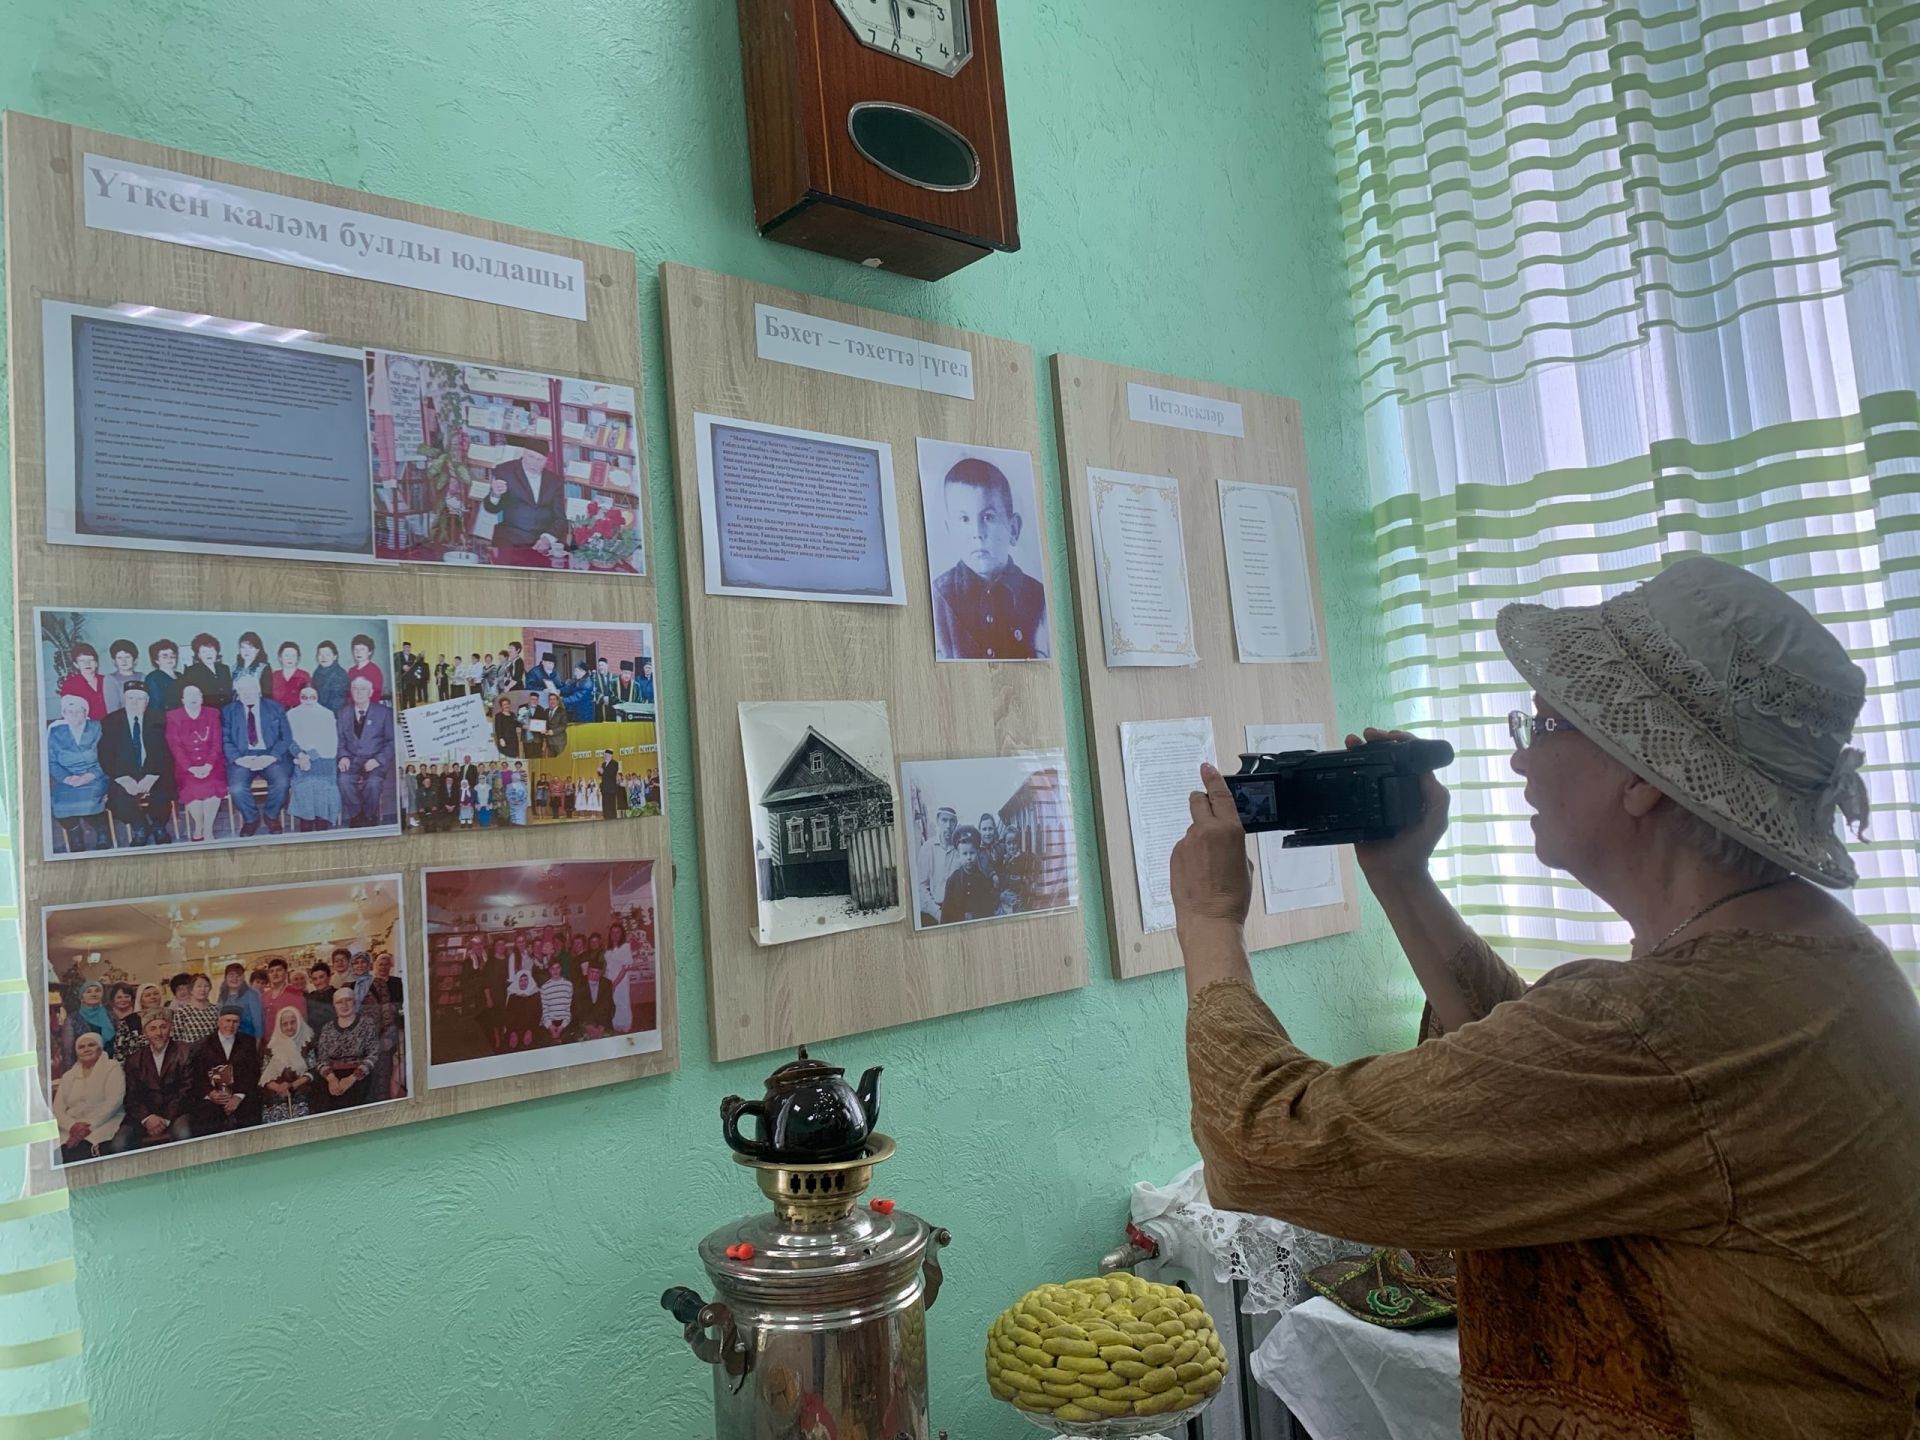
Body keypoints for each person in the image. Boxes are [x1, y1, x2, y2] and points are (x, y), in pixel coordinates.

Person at [1170, 556, 1920, 1437]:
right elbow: (1555, 1091)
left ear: (1642, 774)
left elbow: (1268, 1143)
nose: (1521, 753)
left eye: (1548, 722)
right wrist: (1405, 880)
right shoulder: (1813, 959)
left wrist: (1210, 922)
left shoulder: (1663, 1024)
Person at [930, 457, 1049, 661]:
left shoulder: (1039, 598)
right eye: (964, 519)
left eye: (988, 517)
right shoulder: (938, 597)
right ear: (950, 530)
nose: (977, 533)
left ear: (1013, 528)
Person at [99, 680, 174, 847]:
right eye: (131, 698)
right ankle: (140, 827)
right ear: (124, 700)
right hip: (124, 773)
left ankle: (159, 826)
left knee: (162, 794)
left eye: (140, 699)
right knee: (119, 800)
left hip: (153, 771)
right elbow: (105, 755)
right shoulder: (110, 721)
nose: (135, 703)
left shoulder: (159, 718)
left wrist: (152, 776)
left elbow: (165, 752)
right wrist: (123, 778)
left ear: (147, 702)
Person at [222, 673, 293, 837]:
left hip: (270, 755)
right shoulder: (228, 712)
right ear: (237, 694)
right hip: (243, 756)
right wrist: (239, 759)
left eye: (251, 690)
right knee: (237, 788)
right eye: (242, 691)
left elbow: (286, 737)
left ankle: (271, 815)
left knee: (282, 783)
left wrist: (272, 756)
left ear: (259, 691)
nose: (247, 694)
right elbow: (225, 740)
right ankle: (251, 818)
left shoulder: (275, 708)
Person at [47, 692, 110, 852]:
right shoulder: (55, 732)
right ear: (63, 714)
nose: (74, 715)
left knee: (89, 802)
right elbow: (52, 761)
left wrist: (89, 776)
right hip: (68, 780)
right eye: (69, 711)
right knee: (58, 805)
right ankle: (75, 833)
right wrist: (67, 778)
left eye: (79, 711)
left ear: (85, 712)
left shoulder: (98, 727)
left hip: (96, 776)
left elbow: (108, 757)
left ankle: (102, 830)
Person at [122, 1008, 193, 1146]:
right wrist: (147, 1118)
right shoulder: (134, 1059)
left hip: (177, 1112)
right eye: (152, 1028)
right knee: (119, 1143)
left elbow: (188, 1090)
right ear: (145, 1033)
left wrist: (165, 1118)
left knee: (184, 1135)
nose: (159, 1033)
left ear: (170, 1028)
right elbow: (131, 1096)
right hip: (144, 1116)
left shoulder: (184, 1051)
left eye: (163, 1027)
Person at [480, 445, 569, 554]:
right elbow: (492, 509)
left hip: (542, 539)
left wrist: (547, 539)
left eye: (539, 460)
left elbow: (561, 519)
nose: (534, 463)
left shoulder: (554, 481)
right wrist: (495, 494)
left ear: (546, 461)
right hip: (511, 536)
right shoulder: (505, 471)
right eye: (531, 457)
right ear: (523, 454)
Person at [163, 683, 223, 843]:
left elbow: (217, 742)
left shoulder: (212, 714)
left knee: (212, 791)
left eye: (197, 695)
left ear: (202, 698)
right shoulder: (173, 717)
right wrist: (191, 768)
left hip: (212, 765)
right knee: (192, 791)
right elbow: (175, 747)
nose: (193, 699)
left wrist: (209, 765)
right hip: (186, 767)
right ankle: (199, 825)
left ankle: (208, 829)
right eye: (189, 696)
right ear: (182, 700)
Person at [55, 1031, 127, 1162]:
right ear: (76, 1052)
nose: (86, 1049)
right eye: (81, 1047)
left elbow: (114, 1101)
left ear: (100, 1048)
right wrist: (72, 1126)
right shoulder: (68, 1076)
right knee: (60, 1154)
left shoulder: (112, 1067)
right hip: (72, 1128)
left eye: (91, 1045)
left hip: (103, 1123)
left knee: (83, 1151)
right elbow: (58, 1110)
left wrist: (88, 1126)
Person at [190, 1004, 262, 1134]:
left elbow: (253, 1072)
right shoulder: (202, 1045)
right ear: (218, 1022)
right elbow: (197, 1075)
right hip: (213, 1097)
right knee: (205, 1118)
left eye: (235, 1021)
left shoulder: (247, 1042)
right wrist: (211, 1093)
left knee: (251, 1114)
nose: (231, 1025)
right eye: (227, 1020)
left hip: (240, 1095)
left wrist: (238, 1096)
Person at [336, 675, 395, 827]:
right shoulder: (343, 713)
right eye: (355, 688)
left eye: (363, 689)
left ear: (370, 692)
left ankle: (369, 816)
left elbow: (392, 742)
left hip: (375, 761)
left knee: (373, 783)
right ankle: (357, 815)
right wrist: (343, 756)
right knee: (343, 781)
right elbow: (340, 740)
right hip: (352, 761)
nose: (359, 692)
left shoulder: (384, 713)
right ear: (351, 691)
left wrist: (377, 760)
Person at [286, 684, 342, 832]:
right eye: (304, 697)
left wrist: (310, 756)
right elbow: (289, 740)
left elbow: (331, 742)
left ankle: (322, 823)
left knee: (322, 786)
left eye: (313, 697)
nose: (309, 700)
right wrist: (300, 755)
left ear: (318, 698)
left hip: (325, 760)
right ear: (299, 697)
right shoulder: (291, 715)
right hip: (301, 760)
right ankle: (306, 823)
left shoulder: (327, 714)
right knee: (305, 786)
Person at [312, 987, 377, 1110]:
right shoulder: (327, 1028)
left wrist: (352, 1078)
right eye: (339, 1002)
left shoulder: (367, 1024)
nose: (344, 1005)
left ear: (355, 1002)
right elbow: (321, 1059)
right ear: (334, 1005)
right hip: (332, 1079)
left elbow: (373, 1055)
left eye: (348, 1000)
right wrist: (331, 1079)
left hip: (360, 1078)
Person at [259, 1005, 315, 1125]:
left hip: (301, 1091)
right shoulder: (271, 1047)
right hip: (276, 1094)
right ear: (279, 1026)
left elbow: (312, 1070)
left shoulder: (307, 1043)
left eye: (292, 1022)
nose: (289, 1027)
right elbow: (264, 1077)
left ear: (298, 1022)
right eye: (285, 1024)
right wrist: (279, 1088)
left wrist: (292, 1085)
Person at [363, 952, 405, 1101]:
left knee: (395, 1065)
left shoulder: (397, 982)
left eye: (386, 964)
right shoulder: (369, 984)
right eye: (380, 964)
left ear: (391, 966)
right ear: (375, 966)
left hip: (395, 1028)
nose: (383, 967)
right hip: (377, 1031)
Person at [937, 826, 999, 923]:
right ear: (958, 856)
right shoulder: (953, 880)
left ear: (977, 853)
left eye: (972, 853)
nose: (969, 857)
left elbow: (988, 912)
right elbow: (946, 913)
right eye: (965, 854)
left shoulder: (983, 880)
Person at [915, 807, 959, 926]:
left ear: (956, 824)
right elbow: (921, 886)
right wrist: (937, 913)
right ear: (937, 821)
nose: (948, 826)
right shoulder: (927, 848)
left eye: (952, 821)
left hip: (954, 910)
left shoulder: (959, 850)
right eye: (944, 820)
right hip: (931, 912)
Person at [601, 921, 638, 1034]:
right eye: (613, 932)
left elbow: (625, 967)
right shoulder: (608, 948)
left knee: (622, 1002)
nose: (615, 935)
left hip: (621, 980)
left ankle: (625, 1025)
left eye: (618, 932)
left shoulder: (625, 946)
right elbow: (606, 966)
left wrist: (615, 984)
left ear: (622, 934)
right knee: (613, 1002)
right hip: (609, 978)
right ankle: (615, 1025)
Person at [181, 632, 234, 711]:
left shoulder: (224, 669)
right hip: (207, 712)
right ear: (198, 655)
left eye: (211, 651)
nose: (208, 654)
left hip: (226, 710)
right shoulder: (192, 671)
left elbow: (229, 692)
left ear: (216, 652)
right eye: (204, 652)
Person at [166, 972, 219, 1049]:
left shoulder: (215, 1009)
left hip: (214, 1053)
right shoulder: (182, 1012)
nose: (202, 989)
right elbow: (177, 1039)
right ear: (191, 990)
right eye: (199, 986)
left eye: (206, 986)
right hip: (191, 1056)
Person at [215, 962, 265, 1040]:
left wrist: (258, 1041)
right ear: (225, 978)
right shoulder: (222, 996)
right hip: (226, 1039)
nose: (234, 978)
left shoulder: (252, 994)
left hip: (247, 1038)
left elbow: (258, 1022)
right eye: (231, 975)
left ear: (243, 978)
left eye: (238, 975)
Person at [57, 642, 108, 720]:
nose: (87, 664)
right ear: (76, 665)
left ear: (96, 663)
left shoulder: (107, 680)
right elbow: (69, 711)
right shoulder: (69, 685)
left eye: (91, 660)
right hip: (86, 727)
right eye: (82, 661)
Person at [258, 958, 306, 1038]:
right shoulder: (264, 996)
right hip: (267, 1043)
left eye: (279, 970)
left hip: (288, 1042)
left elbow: (302, 1022)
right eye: (271, 971)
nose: (275, 973)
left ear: (286, 973)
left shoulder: (294, 993)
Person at [572, 951, 615, 1040]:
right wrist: (589, 1027)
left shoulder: (606, 984)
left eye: (597, 972)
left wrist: (601, 1027)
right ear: (587, 971)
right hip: (584, 1022)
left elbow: (610, 1007)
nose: (594, 975)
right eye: (592, 972)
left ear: (601, 973)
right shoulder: (578, 984)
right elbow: (577, 1008)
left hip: (602, 1022)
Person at [71, 980, 116, 1052]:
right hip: (84, 1060)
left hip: (109, 1060)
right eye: (88, 992)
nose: (94, 994)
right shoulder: (73, 1018)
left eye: (97, 991)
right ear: (81, 998)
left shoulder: (110, 1015)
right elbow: (68, 1048)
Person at [538, 956, 574, 1043]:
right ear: (549, 970)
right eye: (553, 969)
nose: (555, 971)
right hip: (550, 1022)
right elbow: (545, 1010)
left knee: (567, 1041)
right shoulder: (544, 987)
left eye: (557, 968)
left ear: (561, 969)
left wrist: (562, 1027)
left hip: (565, 1022)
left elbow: (569, 1009)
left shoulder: (568, 985)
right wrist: (550, 1027)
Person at [101, 638, 142, 713]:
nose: (124, 661)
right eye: (119, 658)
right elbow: (112, 710)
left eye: (127, 657)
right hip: (120, 721)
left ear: (135, 659)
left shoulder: (143, 677)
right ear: (114, 661)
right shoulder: (110, 679)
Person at [310, 640, 349, 714]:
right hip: (318, 713)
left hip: (332, 716)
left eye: (327, 655)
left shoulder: (340, 675)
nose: (323, 657)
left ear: (335, 656)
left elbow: (337, 704)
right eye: (320, 654)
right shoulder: (317, 672)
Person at [144, 638, 182, 713]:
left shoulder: (181, 676)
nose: (169, 659)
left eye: (172, 656)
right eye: (165, 656)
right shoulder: (153, 678)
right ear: (156, 660)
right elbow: (156, 705)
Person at [106, 984, 143, 1061]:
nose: (123, 1000)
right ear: (113, 999)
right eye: (119, 997)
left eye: (127, 996)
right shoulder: (107, 1015)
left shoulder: (139, 1014)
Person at [231, 630, 271, 700]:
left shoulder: (264, 668)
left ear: (257, 650)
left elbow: (267, 695)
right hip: (236, 706)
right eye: (243, 647)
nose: (246, 651)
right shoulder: (234, 668)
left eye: (250, 648)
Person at [345, 634, 384, 704]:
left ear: (370, 652)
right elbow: (348, 695)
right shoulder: (351, 671)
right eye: (356, 649)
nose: (358, 652)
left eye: (362, 649)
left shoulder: (374, 671)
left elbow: (375, 697)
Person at [272, 641, 311, 709]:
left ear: (298, 658)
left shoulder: (304, 676)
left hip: (299, 713)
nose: (290, 658)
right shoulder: (274, 676)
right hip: (277, 714)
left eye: (293, 655)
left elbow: (309, 699)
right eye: (286, 655)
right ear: (280, 657)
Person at [303, 961, 338, 1034]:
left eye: (321, 977)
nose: (318, 982)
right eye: (315, 979)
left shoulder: (338, 995)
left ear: (329, 977)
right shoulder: (309, 998)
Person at [542, 691, 569, 759]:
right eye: (550, 699)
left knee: (561, 761)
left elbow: (563, 726)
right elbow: (545, 724)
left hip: (559, 742)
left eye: (554, 699)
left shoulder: (562, 711)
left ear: (557, 701)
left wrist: (553, 731)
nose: (552, 701)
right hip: (549, 742)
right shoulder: (546, 711)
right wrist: (542, 729)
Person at [590, 656, 618, 721]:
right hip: (600, 707)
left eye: (602, 665)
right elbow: (592, 690)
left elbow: (617, 691)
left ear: (607, 666)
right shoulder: (594, 678)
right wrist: (602, 698)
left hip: (612, 707)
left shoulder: (614, 677)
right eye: (599, 665)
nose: (600, 667)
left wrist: (610, 698)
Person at [598, 750, 622, 819]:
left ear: (610, 755)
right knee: (605, 803)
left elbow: (612, 773)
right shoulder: (603, 764)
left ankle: (612, 818)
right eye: (604, 755)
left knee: (611, 804)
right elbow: (601, 774)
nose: (604, 756)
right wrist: (599, 771)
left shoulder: (615, 763)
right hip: (604, 787)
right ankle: (606, 817)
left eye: (605, 755)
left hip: (611, 788)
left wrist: (603, 771)